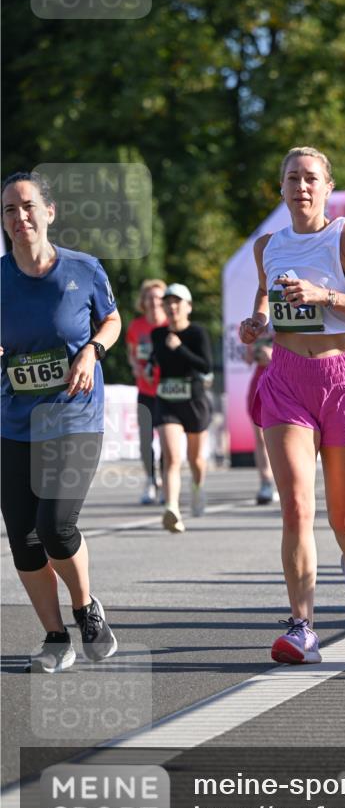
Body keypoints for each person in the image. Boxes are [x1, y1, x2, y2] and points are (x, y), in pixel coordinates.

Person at [239, 146, 345, 664]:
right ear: (280, 189)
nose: (301, 187)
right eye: (291, 179)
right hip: (286, 379)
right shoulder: (268, 246)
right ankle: (302, 627)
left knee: (344, 518)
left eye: (311, 179)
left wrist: (324, 296)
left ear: (328, 188)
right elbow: (266, 296)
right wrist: (258, 322)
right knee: (297, 510)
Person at [1, 171, 120, 672]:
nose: (19, 216)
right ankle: (55, 637)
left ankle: (85, 607)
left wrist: (92, 351)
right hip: (15, 420)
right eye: (9, 210)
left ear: (49, 213)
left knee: (55, 525)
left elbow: (111, 320)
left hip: (73, 414)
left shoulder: (84, 269)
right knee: (23, 538)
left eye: (28, 206)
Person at [149, 283, 213, 533]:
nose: (172, 307)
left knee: (195, 459)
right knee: (172, 457)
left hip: (194, 400)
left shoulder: (197, 333)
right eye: (168, 303)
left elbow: (205, 365)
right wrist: (150, 363)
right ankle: (172, 507)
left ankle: (197, 487)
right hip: (167, 400)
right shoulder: (157, 335)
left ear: (188, 307)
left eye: (177, 302)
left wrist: (180, 348)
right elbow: (157, 359)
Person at [126, 279, 167, 504]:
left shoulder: (170, 324)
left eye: (159, 298)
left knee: (166, 439)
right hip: (145, 390)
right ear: (143, 301)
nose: (154, 302)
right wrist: (136, 367)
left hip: (166, 390)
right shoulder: (136, 326)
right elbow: (131, 353)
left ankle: (165, 482)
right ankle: (151, 480)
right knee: (145, 440)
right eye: (149, 298)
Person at [244, 326, 279, 505]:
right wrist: (251, 348)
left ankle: (284, 481)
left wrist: (274, 354)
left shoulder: (286, 322)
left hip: (281, 381)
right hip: (258, 381)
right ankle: (265, 482)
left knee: (282, 438)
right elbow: (247, 359)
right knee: (260, 437)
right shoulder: (257, 327)